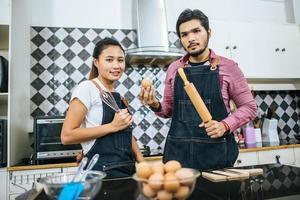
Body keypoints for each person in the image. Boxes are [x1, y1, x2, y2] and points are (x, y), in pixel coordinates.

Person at [139, 9, 257, 170]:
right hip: (178, 157)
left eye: (196, 31)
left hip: (216, 155)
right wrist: (153, 103)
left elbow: (250, 107)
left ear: (209, 32)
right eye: (184, 34)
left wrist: (224, 125)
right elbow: (167, 111)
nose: (191, 38)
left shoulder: (229, 67)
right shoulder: (174, 69)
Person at [61, 37, 144, 178]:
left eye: (120, 60)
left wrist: (141, 162)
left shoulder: (118, 96)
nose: (116, 65)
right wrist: (112, 126)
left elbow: (125, 134)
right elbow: (67, 136)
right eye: (109, 60)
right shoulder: (86, 88)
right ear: (96, 62)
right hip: (100, 174)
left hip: (127, 171)